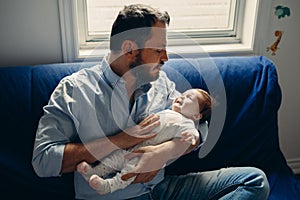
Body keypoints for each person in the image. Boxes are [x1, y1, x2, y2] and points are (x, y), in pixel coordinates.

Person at [32, 3, 270, 200]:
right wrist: (122, 139)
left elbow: (199, 125)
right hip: (110, 195)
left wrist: (163, 153)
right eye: (159, 50)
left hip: (160, 190)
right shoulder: (74, 89)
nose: (166, 58)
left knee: (254, 181)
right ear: (129, 50)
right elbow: (43, 160)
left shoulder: (161, 82)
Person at [76, 88, 211, 195]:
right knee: (115, 158)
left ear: (196, 116)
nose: (182, 97)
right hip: (135, 145)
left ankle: (108, 186)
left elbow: (196, 132)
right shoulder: (170, 109)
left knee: (130, 171)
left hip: (147, 154)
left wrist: (192, 137)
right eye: (184, 94)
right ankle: (94, 172)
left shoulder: (186, 122)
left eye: (189, 98)